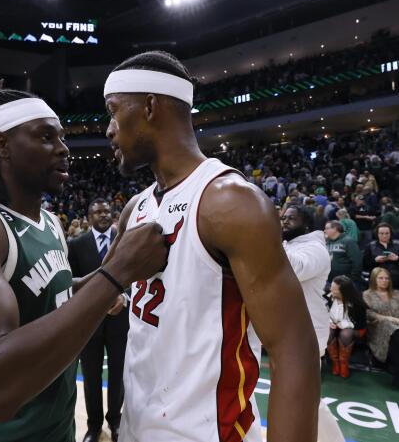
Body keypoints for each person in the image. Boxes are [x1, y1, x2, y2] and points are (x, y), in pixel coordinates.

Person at [0, 65, 168, 442]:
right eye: (46, 137)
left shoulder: (49, 222)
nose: (63, 149)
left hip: (55, 431)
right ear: (1, 144)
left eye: (62, 138)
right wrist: (114, 275)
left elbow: (44, 298)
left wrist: (92, 290)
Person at [102, 51, 320, 442]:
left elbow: (294, 351)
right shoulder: (136, 207)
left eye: (113, 111)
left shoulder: (230, 201)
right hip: (137, 427)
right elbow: (108, 294)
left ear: (150, 106)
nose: (108, 129)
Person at [281, 205, 345, 442]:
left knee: (307, 398)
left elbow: (292, 268)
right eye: (283, 218)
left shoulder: (316, 248)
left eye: (290, 219)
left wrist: (269, 240)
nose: (284, 222)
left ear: (306, 224)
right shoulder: (291, 244)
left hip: (307, 331)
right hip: (289, 330)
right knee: (298, 396)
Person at [68, 199, 128, 442]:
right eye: (97, 212)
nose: (103, 215)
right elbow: (71, 281)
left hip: (120, 319)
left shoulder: (124, 241)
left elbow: (137, 276)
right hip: (89, 322)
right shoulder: (76, 245)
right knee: (91, 377)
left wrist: (124, 296)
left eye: (107, 211)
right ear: (88, 217)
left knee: (118, 375)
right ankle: (93, 427)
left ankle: (115, 421)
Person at [363, 267, 399, 387]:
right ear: (374, 279)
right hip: (377, 328)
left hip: (397, 325)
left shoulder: (396, 294)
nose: (384, 281)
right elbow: (369, 314)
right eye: (381, 278)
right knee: (392, 329)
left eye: (387, 278)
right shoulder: (367, 295)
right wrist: (389, 318)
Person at [326, 275, 368, 378]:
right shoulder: (328, 296)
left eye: (335, 289)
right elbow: (322, 313)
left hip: (354, 328)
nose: (331, 289)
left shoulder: (357, 303)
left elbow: (360, 324)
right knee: (328, 332)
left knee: (346, 334)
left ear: (344, 291)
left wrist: (344, 324)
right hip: (334, 326)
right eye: (332, 286)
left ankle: (343, 363)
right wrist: (329, 321)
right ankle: (335, 362)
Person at [324, 220, 363, 286]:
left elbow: (357, 261)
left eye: (327, 228)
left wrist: (353, 278)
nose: (324, 231)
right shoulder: (326, 242)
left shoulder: (348, 241)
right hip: (329, 280)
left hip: (345, 282)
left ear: (335, 229)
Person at [363, 223, 399, 288]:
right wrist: (375, 260)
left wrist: (397, 259)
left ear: (391, 234)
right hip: (377, 279)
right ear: (377, 234)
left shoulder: (398, 245)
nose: (384, 236)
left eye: (387, 233)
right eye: (381, 233)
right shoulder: (370, 246)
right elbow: (365, 265)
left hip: (396, 279)